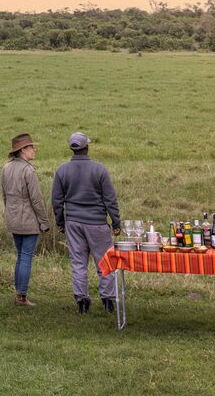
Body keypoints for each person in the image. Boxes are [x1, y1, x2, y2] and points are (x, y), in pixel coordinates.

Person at [50, 130, 121, 314]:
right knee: (104, 261)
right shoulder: (100, 169)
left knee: (78, 263)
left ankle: (81, 301)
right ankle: (107, 299)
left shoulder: (62, 170)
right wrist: (115, 222)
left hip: (73, 222)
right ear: (87, 148)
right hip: (97, 222)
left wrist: (60, 221)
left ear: (72, 150)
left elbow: (57, 200)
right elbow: (110, 199)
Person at [1, 133, 49, 307]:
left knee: (20, 256)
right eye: (31, 147)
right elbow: (36, 200)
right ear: (22, 150)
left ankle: (19, 293)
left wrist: (10, 213)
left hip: (13, 218)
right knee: (26, 257)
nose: (34, 150)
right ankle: (21, 296)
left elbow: (4, 196)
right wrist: (44, 222)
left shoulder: (6, 168)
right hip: (28, 220)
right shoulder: (28, 170)